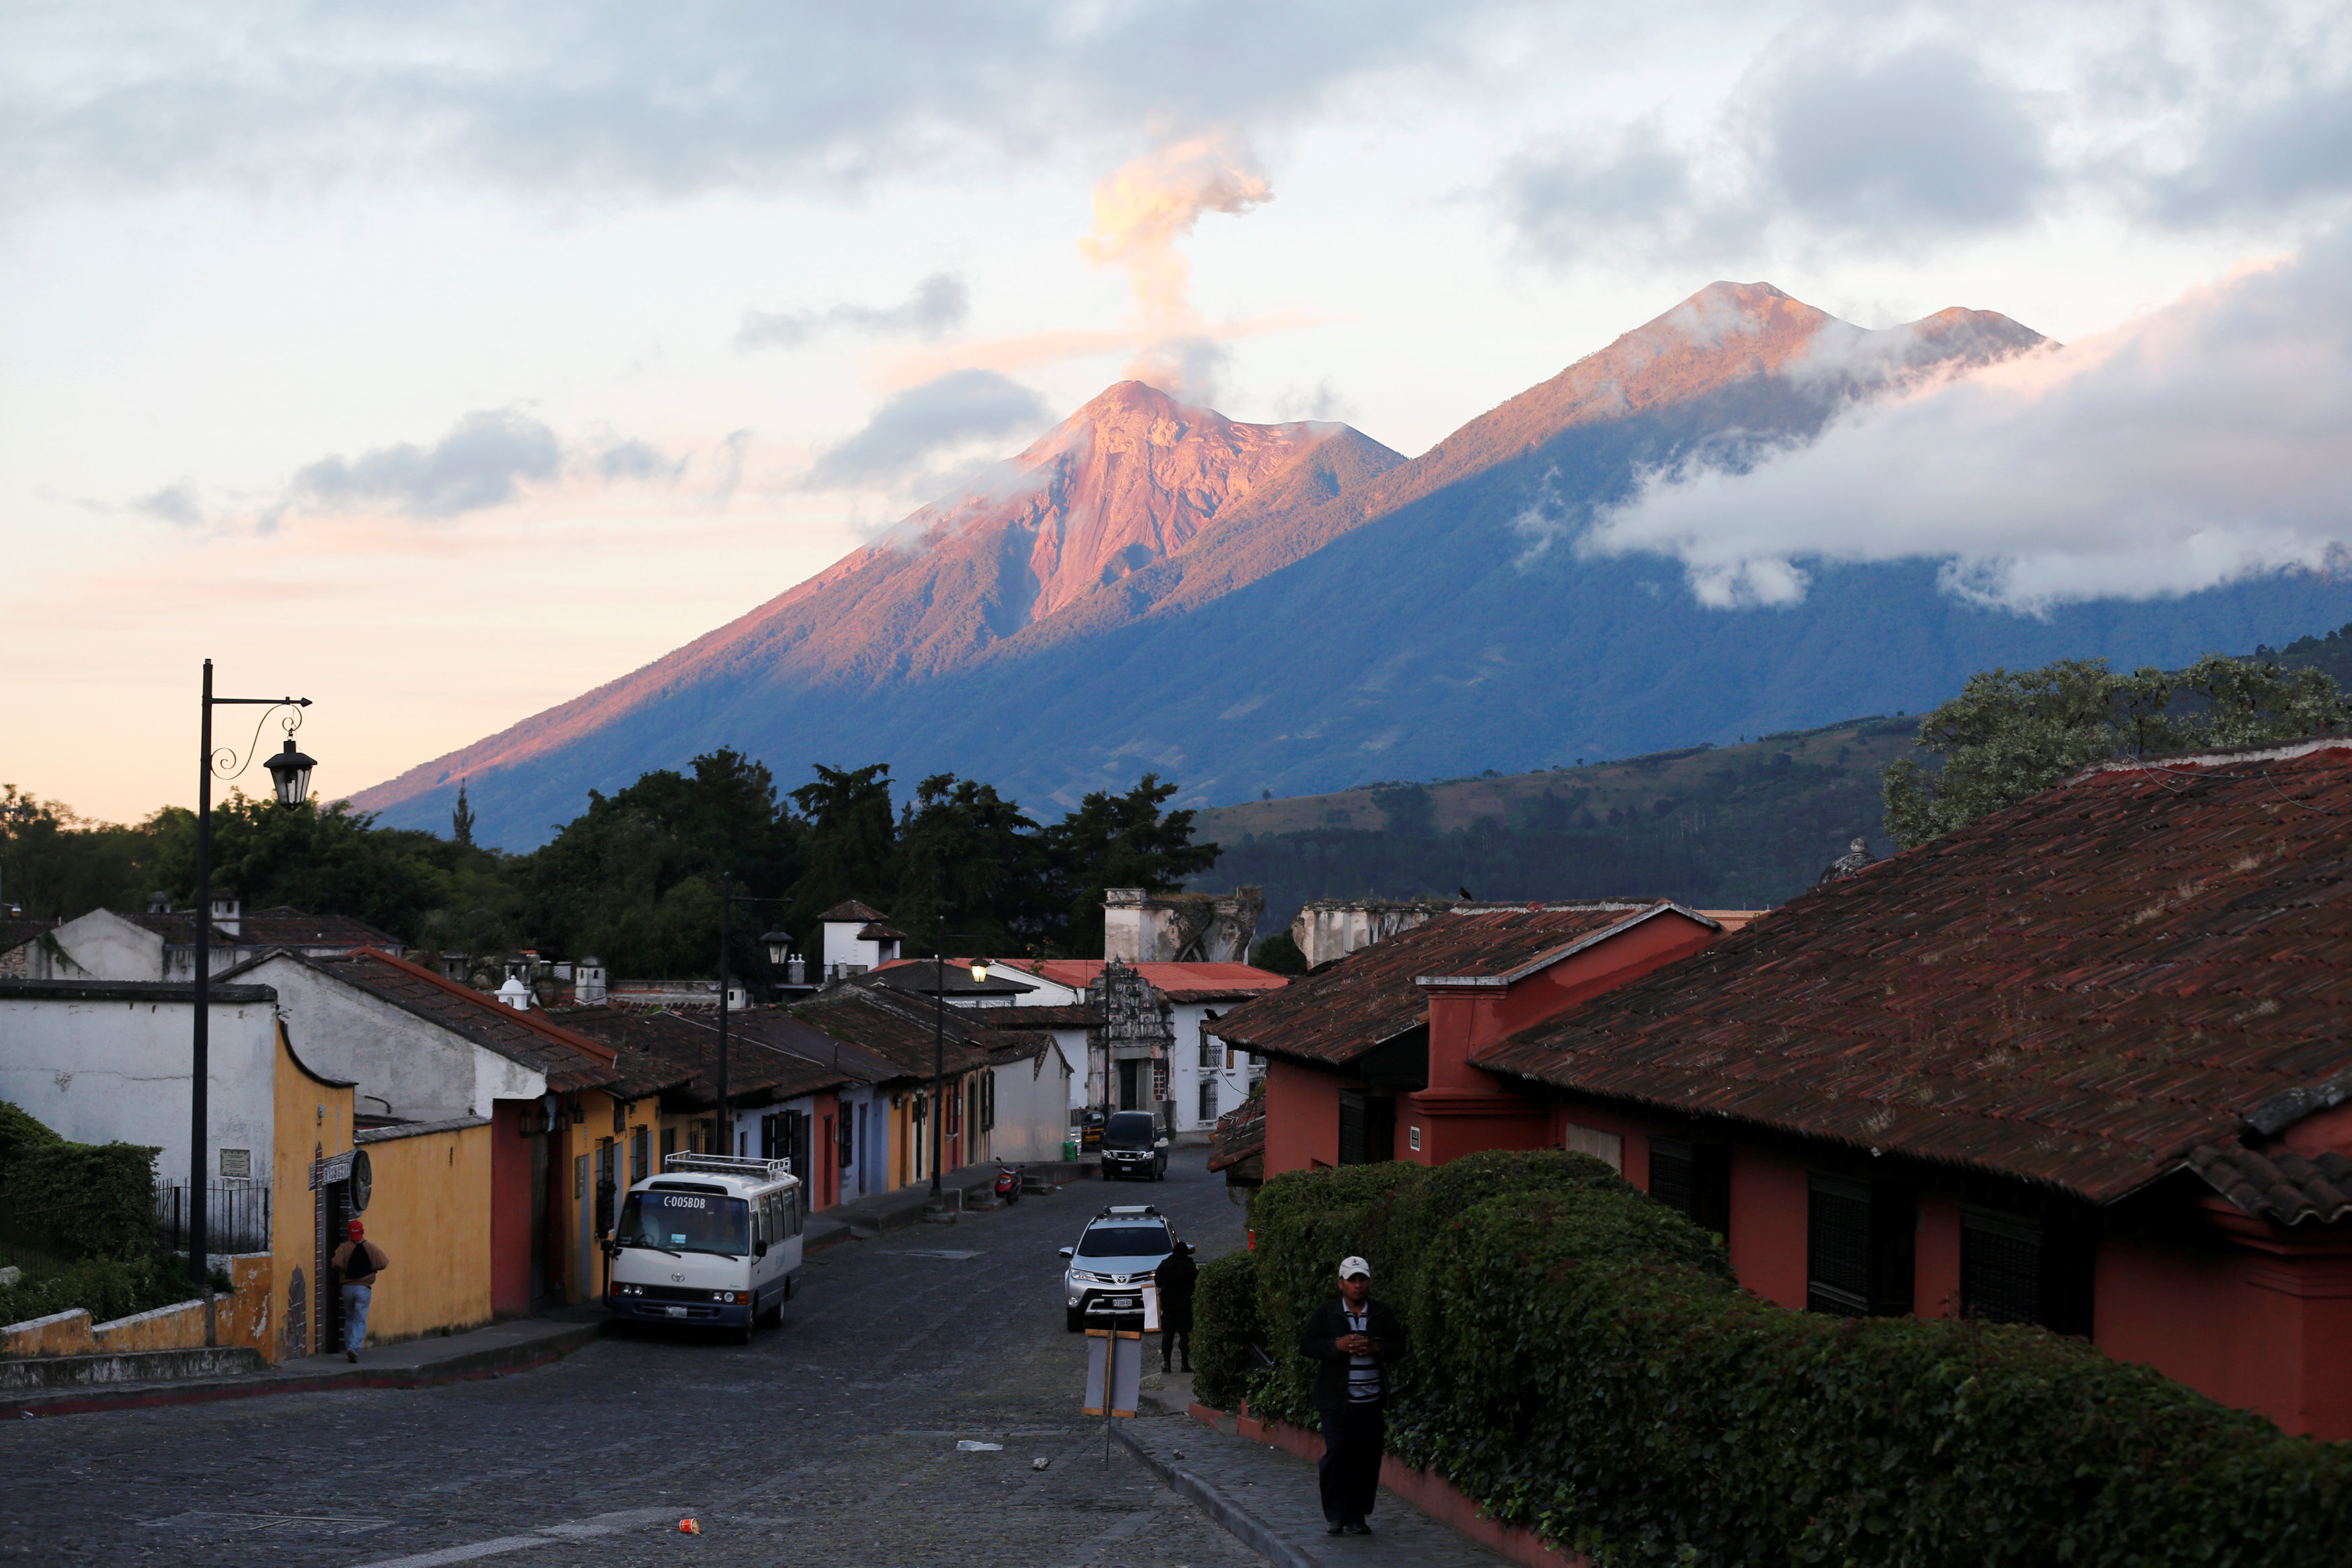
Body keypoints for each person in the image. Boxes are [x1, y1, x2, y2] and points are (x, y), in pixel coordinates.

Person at [1295, 1256, 1408, 1536]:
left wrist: (1376, 1348)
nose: (1358, 1285)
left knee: (1366, 1458)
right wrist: (1337, 1346)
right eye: (1352, 1280)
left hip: (1370, 1400)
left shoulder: (1381, 1314)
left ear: (1368, 1282)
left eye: (1362, 1279)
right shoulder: (1328, 1313)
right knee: (1337, 1453)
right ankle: (1335, 1515)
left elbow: (1399, 1346)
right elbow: (1306, 1344)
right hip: (1336, 1401)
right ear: (1341, 1283)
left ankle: (1358, 1516)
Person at [329, 1218, 389, 1363]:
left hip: (347, 1287)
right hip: (363, 1288)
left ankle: (348, 1346)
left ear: (349, 1233)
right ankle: (354, 1347)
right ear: (362, 1232)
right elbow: (383, 1263)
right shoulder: (371, 1247)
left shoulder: (343, 1248)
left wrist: (344, 1269)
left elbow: (336, 1263)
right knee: (360, 1318)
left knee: (349, 1317)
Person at [1154, 1240, 1199, 1373]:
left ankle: (1167, 1365)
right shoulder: (1189, 1266)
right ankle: (1184, 1364)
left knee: (1168, 1335)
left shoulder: (1165, 1264)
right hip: (1185, 1306)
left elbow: (1157, 1282)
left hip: (1168, 1306)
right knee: (1185, 1335)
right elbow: (1197, 1281)